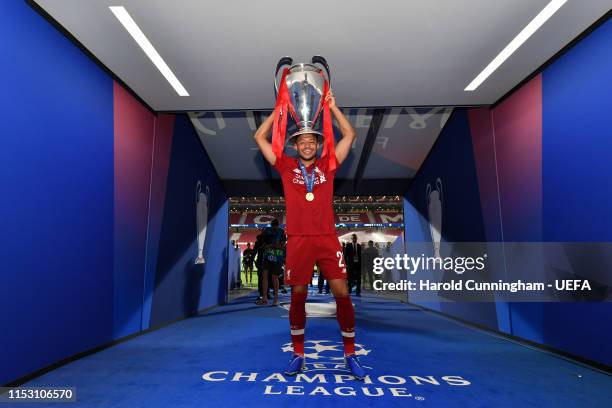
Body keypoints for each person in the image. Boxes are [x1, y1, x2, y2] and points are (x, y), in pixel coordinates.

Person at [254, 90, 366, 379]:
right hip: (299, 240)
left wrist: (334, 107)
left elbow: (350, 135)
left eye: (311, 140)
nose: (306, 144)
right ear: (295, 145)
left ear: (318, 144)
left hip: (327, 237)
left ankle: (350, 354)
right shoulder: (285, 165)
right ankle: (298, 353)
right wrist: (278, 111)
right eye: (301, 141)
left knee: (342, 293)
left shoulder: (327, 165)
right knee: (298, 296)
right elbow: (259, 138)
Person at [255, 219, 286, 306]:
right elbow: (263, 243)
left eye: (275, 226)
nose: (274, 228)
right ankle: (265, 298)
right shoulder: (267, 231)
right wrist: (265, 245)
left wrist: (271, 245)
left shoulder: (281, 232)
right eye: (273, 226)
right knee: (265, 277)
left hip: (277, 258)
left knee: (274, 278)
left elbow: (282, 247)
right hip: (267, 257)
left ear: (277, 225)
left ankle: (275, 299)